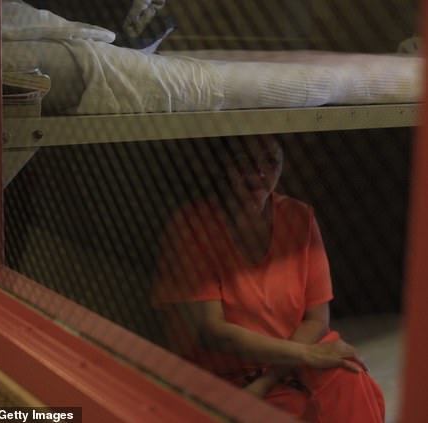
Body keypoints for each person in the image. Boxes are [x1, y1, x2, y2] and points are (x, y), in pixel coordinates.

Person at [151, 135, 385, 422]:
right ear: (222, 165)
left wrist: (272, 376)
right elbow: (212, 332)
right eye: (244, 161)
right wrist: (293, 362)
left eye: (271, 161)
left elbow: (316, 320)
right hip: (231, 374)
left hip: (292, 361)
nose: (259, 172)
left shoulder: (299, 217)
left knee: (350, 379)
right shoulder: (193, 226)